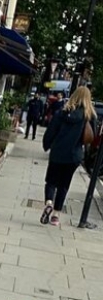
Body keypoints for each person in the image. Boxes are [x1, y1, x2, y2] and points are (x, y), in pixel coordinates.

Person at [40, 85, 97, 227]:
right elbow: (92, 136)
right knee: (64, 185)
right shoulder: (89, 116)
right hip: (74, 156)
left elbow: (51, 132)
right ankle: (56, 215)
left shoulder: (61, 113)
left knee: (51, 181)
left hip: (58, 153)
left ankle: (49, 202)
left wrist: (47, 145)